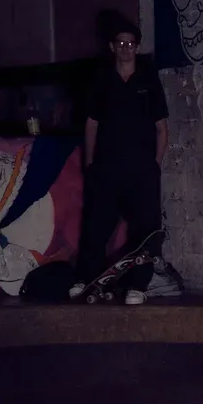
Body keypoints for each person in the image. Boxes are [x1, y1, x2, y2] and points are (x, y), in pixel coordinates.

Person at [71, 19, 169, 303]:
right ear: (112, 47)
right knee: (95, 226)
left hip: (141, 171)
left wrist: (154, 165)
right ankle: (87, 279)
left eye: (130, 44)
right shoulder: (102, 80)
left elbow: (162, 129)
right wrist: (90, 164)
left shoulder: (148, 80)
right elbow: (91, 124)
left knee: (145, 230)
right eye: (121, 43)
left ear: (137, 48)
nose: (126, 48)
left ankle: (138, 286)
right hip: (106, 169)